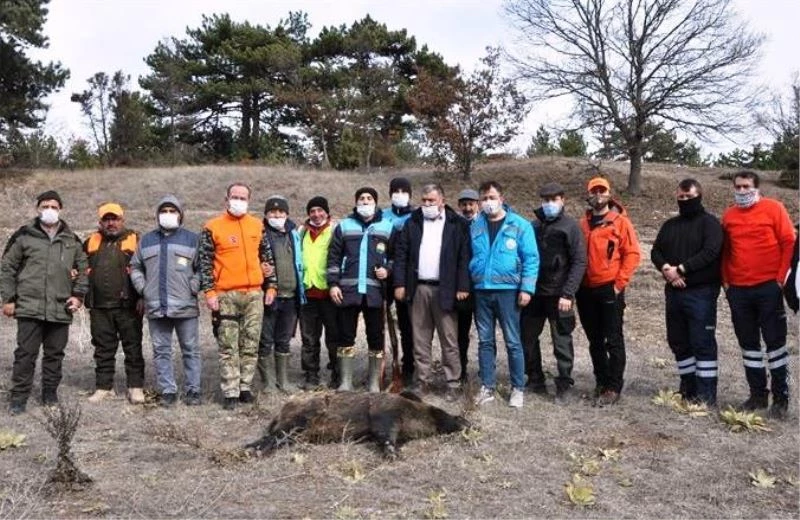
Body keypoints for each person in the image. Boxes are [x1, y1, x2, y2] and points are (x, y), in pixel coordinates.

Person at [0, 191, 88, 415]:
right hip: (29, 306)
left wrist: (78, 296)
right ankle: (18, 397)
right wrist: (8, 299)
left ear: (61, 209)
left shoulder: (71, 239)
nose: (49, 209)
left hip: (60, 307)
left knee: (55, 354)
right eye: (45, 205)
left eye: (54, 206)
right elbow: (7, 268)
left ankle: (49, 393)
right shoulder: (24, 235)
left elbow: (83, 270)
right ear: (38, 208)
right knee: (25, 354)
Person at [721, 170, 795, 419]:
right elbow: (725, 250)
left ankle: (781, 398)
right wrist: (726, 282)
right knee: (749, 345)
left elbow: (788, 241)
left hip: (768, 288)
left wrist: (780, 278)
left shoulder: (774, 208)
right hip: (739, 290)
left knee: (775, 344)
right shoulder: (729, 215)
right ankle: (757, 395)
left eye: (746, 187)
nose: (741, 191)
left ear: (756, 188)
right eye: (738, 187)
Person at [198, 183, 278, 410]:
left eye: (243, 198)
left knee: (251, 343)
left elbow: (267, 260)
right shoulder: (212, 227)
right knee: (228, 345)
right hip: (226, 295)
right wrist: (210, 293)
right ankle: (230, 391)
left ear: (249, 201)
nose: (238, 201)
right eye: (235, 197)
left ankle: (245, 387)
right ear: (226, 199)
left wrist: (271, 287)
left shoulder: (257, 226)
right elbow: (204, 264)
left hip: (254, 293)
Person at [393, 184, 471, 400]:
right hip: (418, 288)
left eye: (431, 201)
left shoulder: (457, 224)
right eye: (424, 200)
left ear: (442, 201)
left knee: (449, 338)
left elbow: (464, 257)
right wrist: (399, 284)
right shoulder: (412, 223)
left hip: (445, 288)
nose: (427, 204)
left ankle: (453, 382)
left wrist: (463, 286)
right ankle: (423, 381)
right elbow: (401, 255)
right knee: (420, 338)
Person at [651, 179, 723, 406]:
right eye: (680, 198)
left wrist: (682, 270)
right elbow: (656, 251)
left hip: (701, 291)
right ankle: (688, 386)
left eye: (688, 197)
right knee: (678, 341)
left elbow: (710, 252)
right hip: (674, 292)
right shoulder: (670, 225)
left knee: (702, 342)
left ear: (699, 196)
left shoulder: (710, 223)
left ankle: (706, 394)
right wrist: (666, 270)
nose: (684, 201)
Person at [470, 181, 539, 408]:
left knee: (512, 341)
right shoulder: (475, 225)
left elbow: (531, 258)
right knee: (485, 341)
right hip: (482, 291)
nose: (487, 202)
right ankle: (487, 386)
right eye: (484, 198)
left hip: (508, 292)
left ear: (501, 198)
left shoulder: (519, 225)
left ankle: (517, 387)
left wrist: (527, 288)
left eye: (491, 197)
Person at [130, 195, 202, 407]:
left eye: (172, 211)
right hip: (156, 306)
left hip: (185, 306)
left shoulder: (192, 239)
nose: (168, 215)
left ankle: (193, 391)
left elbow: (202, 269)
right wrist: (144, 289)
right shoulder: (146, 240)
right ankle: (168, 390)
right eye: (164, 211)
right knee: (161, 351)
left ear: (180, 215)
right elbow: (135, 267)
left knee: (190, 350)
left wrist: (194, 286)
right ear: (157, 215)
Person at [576, 176, 641, 407]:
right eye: (594, 191)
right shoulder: (582, 223)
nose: (598, 195)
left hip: (609, 287)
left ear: (609, 194)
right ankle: (601, 381)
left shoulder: (620, 222)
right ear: (589, 195)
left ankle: (614, 386)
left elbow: (632, 254)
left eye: (602, 191)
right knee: (594, 340)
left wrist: (618, 285)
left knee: (613, 339)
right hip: (585, 290)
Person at [521, 182, 586, 404]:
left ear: (562, 200)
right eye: (545, 200)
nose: (549, 204)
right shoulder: (533, 226)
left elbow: (579, 262)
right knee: (527, 337)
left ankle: (564, 384)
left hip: (560, 295)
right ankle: (535, 378)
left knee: (561, 340)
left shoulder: (571, 227)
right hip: (535, 293)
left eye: (553, 200)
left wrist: (568, 294)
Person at [327, 186, 393, 392]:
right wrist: (333, 284)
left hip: (374, 293)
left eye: (369, 198)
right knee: (346, 335)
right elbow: (334, 257)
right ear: (356, 202)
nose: (365, 202)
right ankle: (346, 381)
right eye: (361, 199)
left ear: (375, 202)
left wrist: (387, 270)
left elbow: (395, 257)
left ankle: (374, 382)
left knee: (375, 336)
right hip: (348, 291)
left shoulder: (387, 226)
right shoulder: (344, 226)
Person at [84, 202, 145, 405]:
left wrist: (144, 297)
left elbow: (148, 270)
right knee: (103, 349)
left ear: (122, 220)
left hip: (129, 305)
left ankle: (135, 387)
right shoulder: (89, 242)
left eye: (115, 219)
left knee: (133, 348)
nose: (111, 223)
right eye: (106, 219)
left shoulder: (136, 240)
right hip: (99, 306)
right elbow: (78, 266)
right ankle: (103, 387)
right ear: (100, 222)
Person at [258, 195, 303, 393]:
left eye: (281, 212)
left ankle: (283, 381)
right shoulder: (260, 234)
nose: (277, 215)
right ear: (266, 215)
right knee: (266, 338)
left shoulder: (294, 234)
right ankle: (268, 382)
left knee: (284, 340)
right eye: (272, 212)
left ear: (287, 214)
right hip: (269, 295)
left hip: (291, 295)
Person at [297, 196, 341, 389]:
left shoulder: (335, 230)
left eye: (319, 210)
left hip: (329, 293)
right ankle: (311, 374)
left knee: (334, 336)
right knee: (309, 338)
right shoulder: (301, 232)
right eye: (312, 211)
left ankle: (337, 373)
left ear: (326, 212)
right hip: (308, 293)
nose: (316, 214)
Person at [383, 177, 415, 385]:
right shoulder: (382, 216)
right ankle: (382, 368)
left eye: (404, 191)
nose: (400, 194)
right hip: (383, 277)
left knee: (407, 324)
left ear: (410, 195)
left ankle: (409, 366)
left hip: (407, 277)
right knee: (380, 326)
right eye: (396, 191)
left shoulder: (416, 217)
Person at [456, 188, 480, 382]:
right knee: (461, 333)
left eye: (471, 204)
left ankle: (487, 371)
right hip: (463, 289)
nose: (467, 208)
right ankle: (461, 370)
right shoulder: (455, 226)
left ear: (477, 205)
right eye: (464, 204)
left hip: (482, 287)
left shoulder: (486, 223)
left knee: (485, 332)